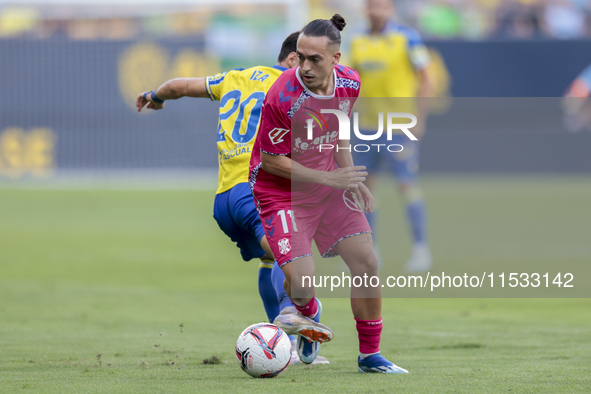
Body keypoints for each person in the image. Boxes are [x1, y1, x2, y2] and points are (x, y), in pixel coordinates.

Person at [135, 32, 329, 365]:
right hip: (256, 191)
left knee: (270, 259)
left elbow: (180, 86)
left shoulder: (234, 77)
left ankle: (287, 344)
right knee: (292, 254)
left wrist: (155, 96)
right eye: (310, 62)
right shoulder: (289, 88)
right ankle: (294, 314)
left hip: (225, 200)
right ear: (293, 60)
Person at [249, 14, 408, 373]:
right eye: (301, 57)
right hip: (281, 194)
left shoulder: (350, 82)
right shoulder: (282, 94)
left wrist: (350, 180)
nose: (303, 66)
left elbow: (337, 132)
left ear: (336, 58)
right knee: (303, 285)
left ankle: (370, 356)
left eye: (314, 59)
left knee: (366, 261)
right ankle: (308, 314)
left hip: (328, 187)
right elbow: (272, 162)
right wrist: (332, 180)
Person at [349, 0, 434, 273]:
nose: (377, 11)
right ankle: (370, 252)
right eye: (373, 6)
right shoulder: (357, 42)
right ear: (366, 9)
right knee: (366, 189)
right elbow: (349, 82)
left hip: (399, 126)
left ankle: (421, 250)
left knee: (406, 186)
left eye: (382, 6)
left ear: (391, 9)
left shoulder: (407, 38)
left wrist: (419, 119)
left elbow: (426, 79)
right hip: (367, 127)